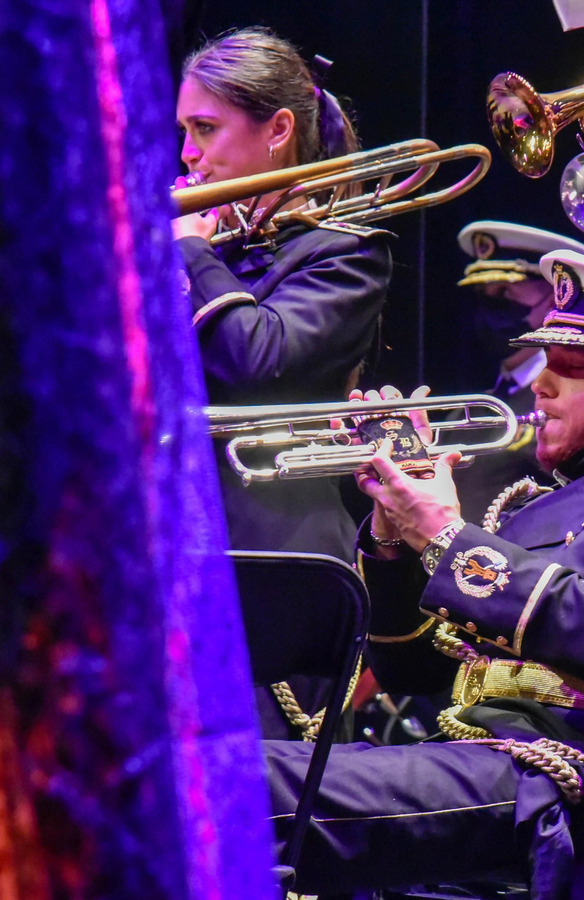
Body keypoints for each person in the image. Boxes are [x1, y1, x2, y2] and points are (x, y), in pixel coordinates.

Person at [259, 252, 584, 899]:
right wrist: (394, 534)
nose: (543, 383)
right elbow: (414, 670)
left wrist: (442, 533)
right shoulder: (531, 505)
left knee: (236, 784)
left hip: (572, 782)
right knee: (224, 764)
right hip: (476, 760)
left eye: (572, 369)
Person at [173, 27, 394, 562]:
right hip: (169, 534)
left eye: (205, 128)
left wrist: (193, 258)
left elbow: (257, 361)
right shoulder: (205, 245)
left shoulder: (347, 254)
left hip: (274, 550)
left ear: (277, 130)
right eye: (184, 130)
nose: (185, 153)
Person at [452, 220, 584, 524]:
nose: (493, 305)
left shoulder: (571, 402)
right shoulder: (469, 411)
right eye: (485, 294)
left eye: (505, 292)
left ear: (556, 297)